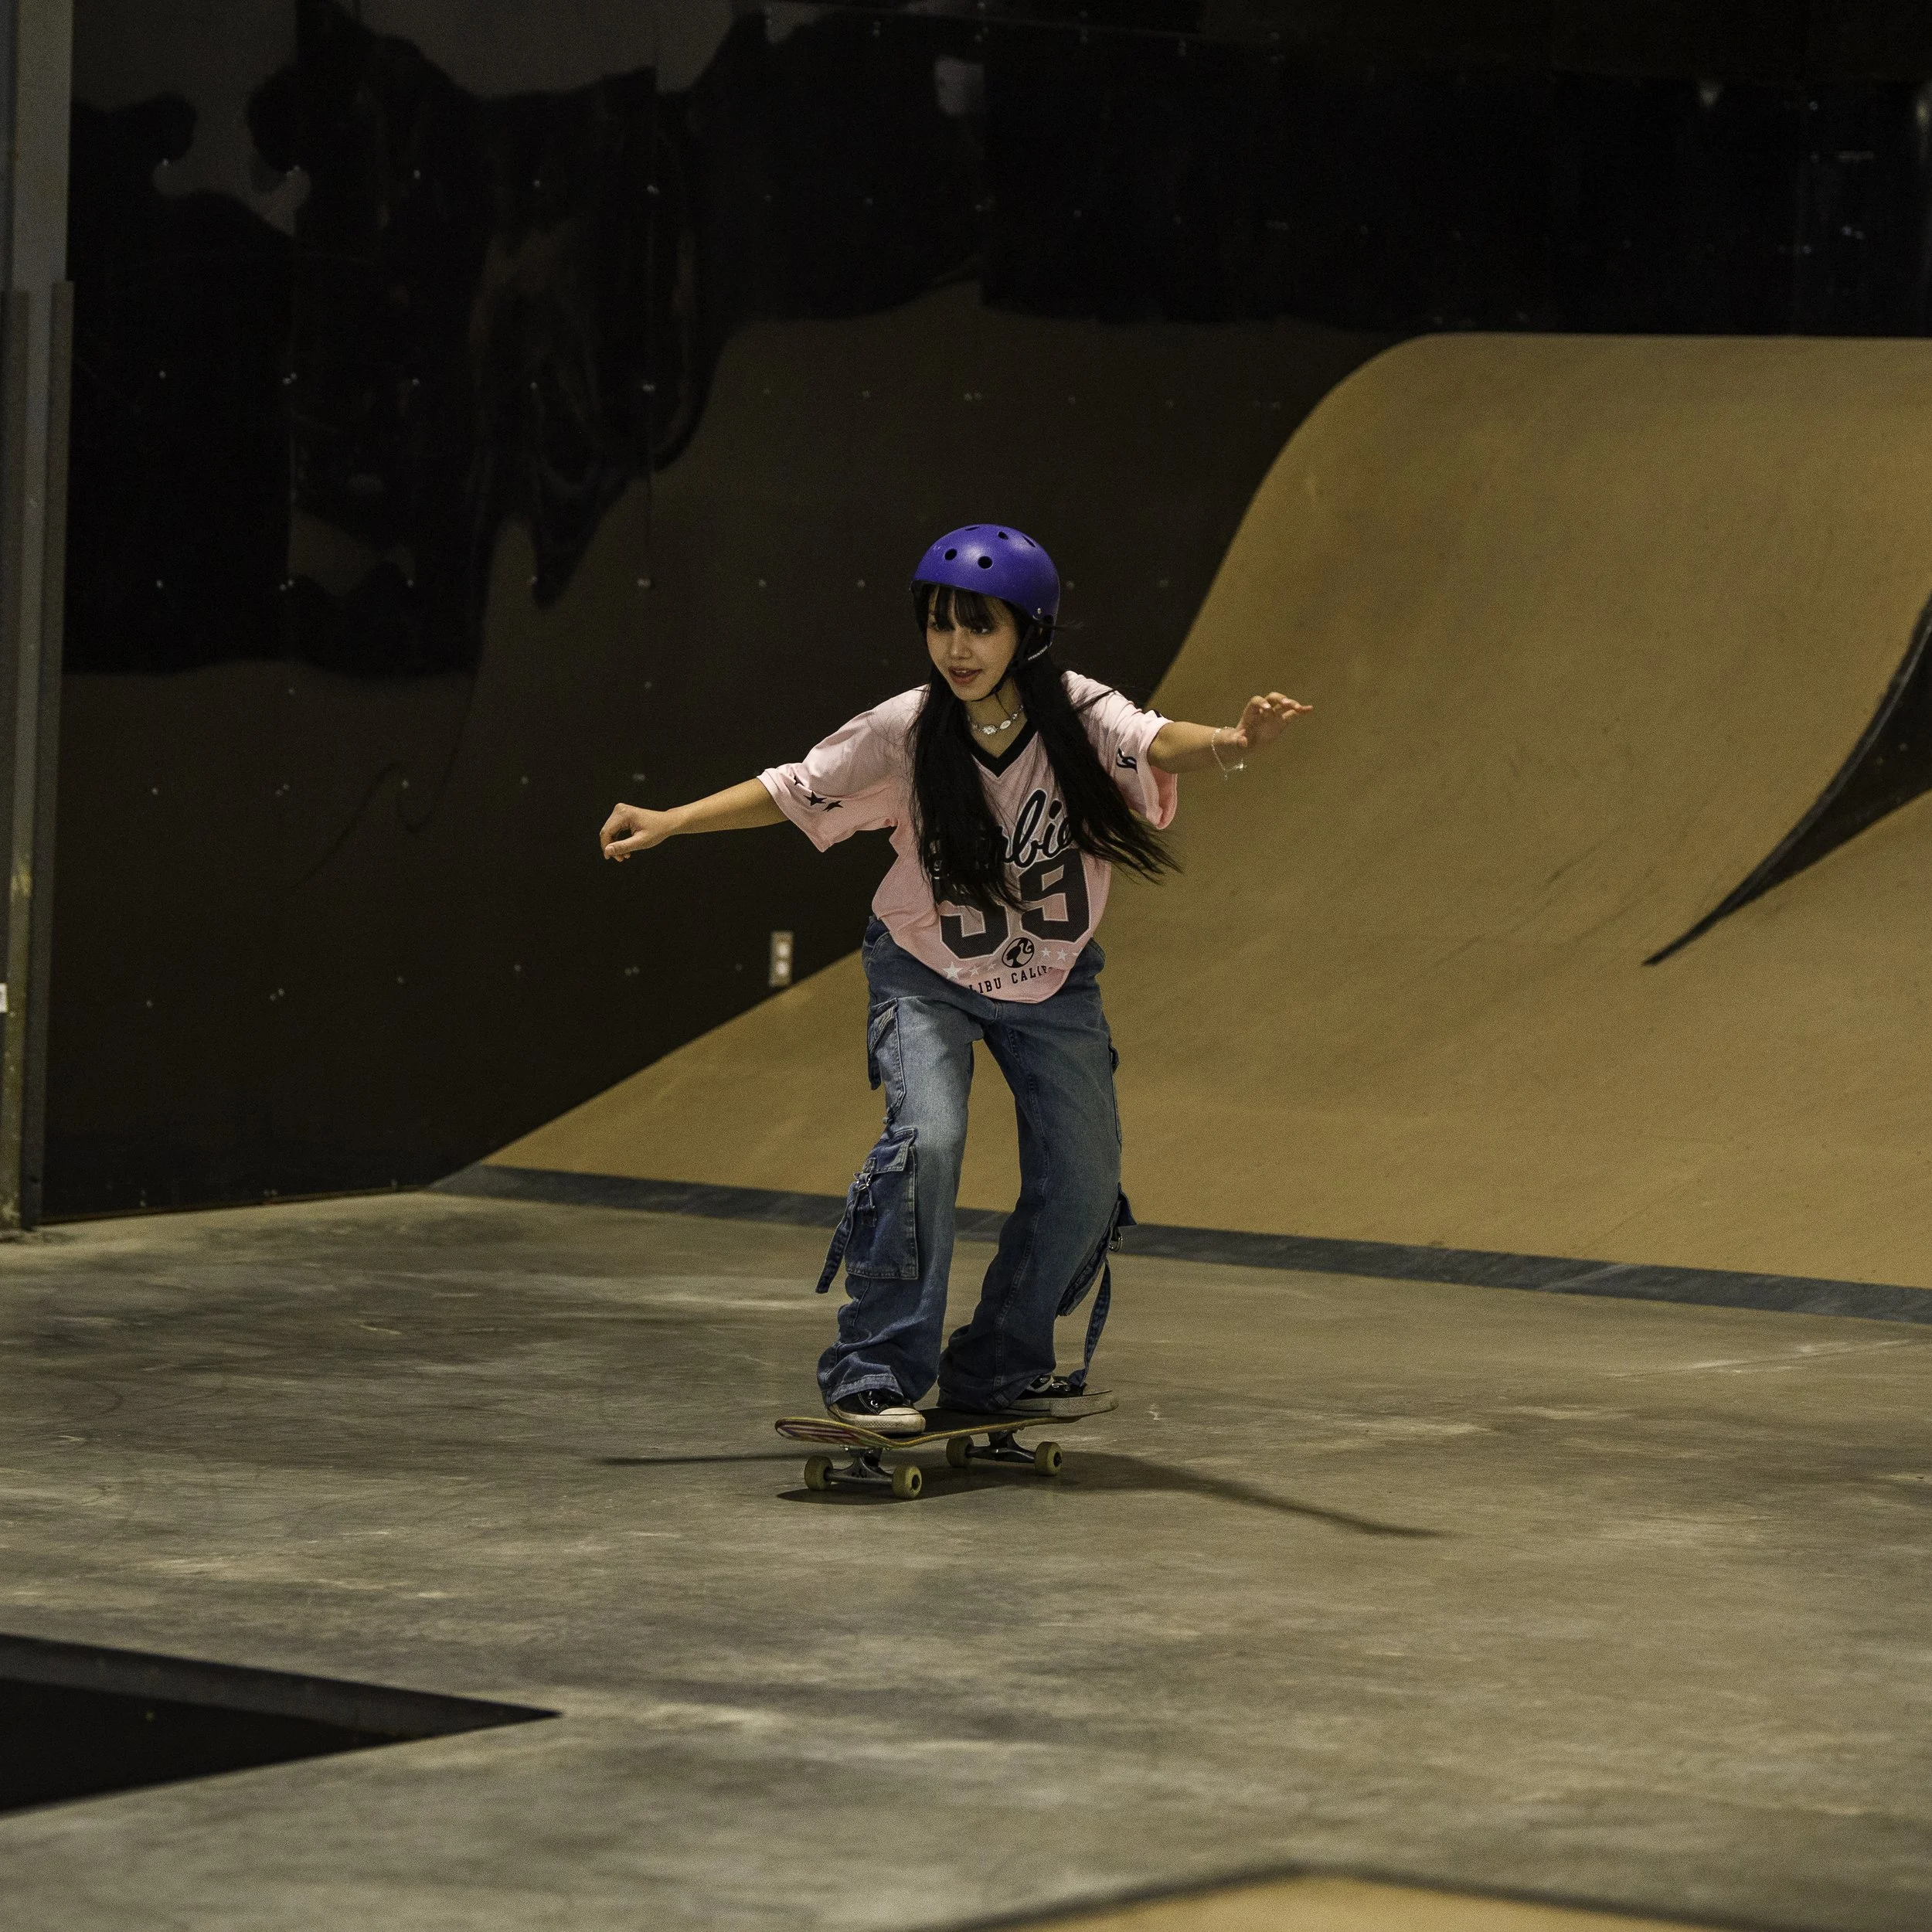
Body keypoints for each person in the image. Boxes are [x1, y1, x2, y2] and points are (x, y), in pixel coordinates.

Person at [600, 526, 1309, 1434]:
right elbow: (794, 788)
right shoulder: (904, 729)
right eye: (939, 626)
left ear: (1028, 630)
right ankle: (875, 1369)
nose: (955, 648)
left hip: (1054, 984)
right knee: (926, 1142)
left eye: (978, 626)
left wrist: (1234, 740)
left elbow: (1156, 741)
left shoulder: (1081, 714)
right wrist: (672, 819)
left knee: (1087, 1185)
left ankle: (999, 1366)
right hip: (924, 972)